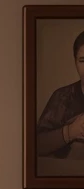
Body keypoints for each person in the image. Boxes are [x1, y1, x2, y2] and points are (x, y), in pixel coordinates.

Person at [35, 30, 84, 159]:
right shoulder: (62, 97)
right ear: (75, 62)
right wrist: (70, 132)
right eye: (82, 60)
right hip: (65, 174)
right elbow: (36, 144)